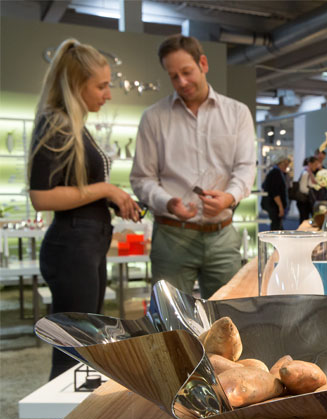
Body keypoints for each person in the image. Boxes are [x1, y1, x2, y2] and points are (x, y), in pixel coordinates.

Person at [27, 39, 142, 395]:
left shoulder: (74, 125)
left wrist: (114, 198)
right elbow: (41, 196)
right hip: (72, 249)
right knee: (72, 349)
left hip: (85, 246)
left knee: (85, 346)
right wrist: (107, 190)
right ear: (76, 86)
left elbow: (75, 189)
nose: (108, 94)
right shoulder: (57, 124)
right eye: (101, 86)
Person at [130, 34, 255, 298]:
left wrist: (229, 197)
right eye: (174, 76)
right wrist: (168, 202)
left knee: (228, 313)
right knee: (170, 317)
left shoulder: (237, 113)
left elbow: (245, 167)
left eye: (187, 72)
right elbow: (142, 178)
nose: (182, 82)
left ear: (203, 64)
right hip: (171, 236)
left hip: (222, 235)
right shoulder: (153, 118)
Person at [261, 157, 290, 230]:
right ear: (280, 163)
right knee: (276, 227)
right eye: (285, 164)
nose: (286, 166)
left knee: (277, 226)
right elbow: (275, 192)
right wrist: (280, 207)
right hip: (274, 205)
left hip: (274, 205)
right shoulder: (275, 173)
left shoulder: (278, 173)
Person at [296, 156, 319, 223]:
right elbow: (303, 188)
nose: (316, 166)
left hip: (306, 200)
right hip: (304, 200)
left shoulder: (309, 172)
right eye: (315, 164)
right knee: (304, 220)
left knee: (306, 219)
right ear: (310, 164)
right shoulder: (306, 173)